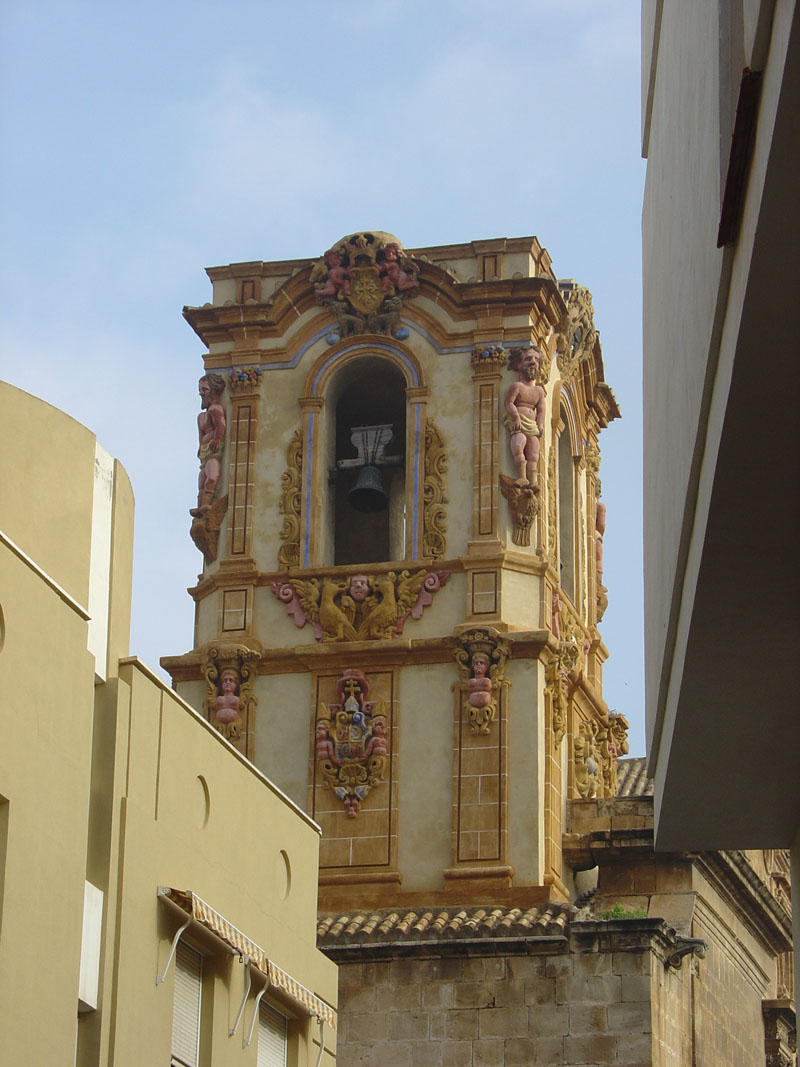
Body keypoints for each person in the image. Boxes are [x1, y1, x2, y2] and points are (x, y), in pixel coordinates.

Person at [504, 345, 546, 488]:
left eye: (536, 359)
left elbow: (541, 410)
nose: (533, 362)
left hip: (532, 426)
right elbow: (509, 403)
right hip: (520, 424)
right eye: (528, 359)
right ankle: (522, 477)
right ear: (519, 364)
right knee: (518, 445)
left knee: (534, 452)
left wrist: (540, 424)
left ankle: (533, 481)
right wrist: (515, 416)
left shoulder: (539, 391)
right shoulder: (517, 386)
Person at [191, 372, 226, 515]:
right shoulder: (201, 417)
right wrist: (200, 448)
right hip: (204, 453)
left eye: (204, 390)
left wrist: (217, 439)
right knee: (202, 479)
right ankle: (200, 507)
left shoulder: (215, 409)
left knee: (212, 476)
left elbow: (221, 426)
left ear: (213, 391)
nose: (201, 394)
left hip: (213, 451)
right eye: (200, 390)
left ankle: (206, 504)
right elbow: (201, 435)